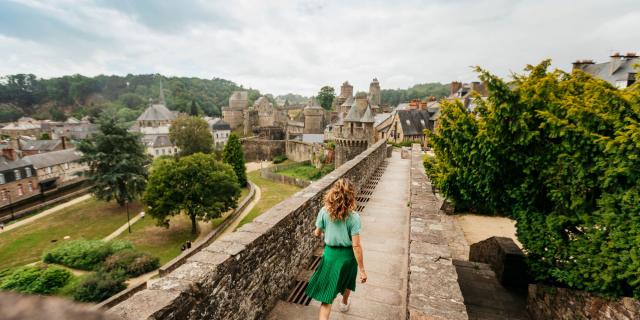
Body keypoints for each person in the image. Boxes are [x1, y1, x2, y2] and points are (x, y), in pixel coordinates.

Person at [305, 178, 367, 320]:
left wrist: (318, 232)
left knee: (327, 298)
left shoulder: (324, 211)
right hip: (348, 257)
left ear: (333, 192)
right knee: (347, 281)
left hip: (330, 256)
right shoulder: (354, 217)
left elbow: (317, 232)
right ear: (351, 195)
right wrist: (362, 270)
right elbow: (356, 245)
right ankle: (344, 304)